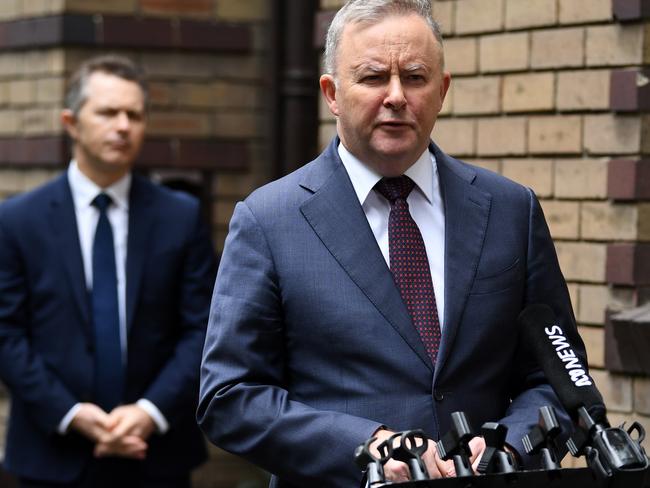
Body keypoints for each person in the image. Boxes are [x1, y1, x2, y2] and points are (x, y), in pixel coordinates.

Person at [197, 1, 587, 486]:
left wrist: (510, 443)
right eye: (373, 77)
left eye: (416, 77)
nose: (397, 96)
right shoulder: (268, 220)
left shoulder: (510, 209)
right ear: (332, 93)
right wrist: (368, 446)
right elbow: (230, 398)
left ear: (442, 91)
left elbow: (558, 375)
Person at [0, 55, 217, 487]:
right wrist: (71, 414)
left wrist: (148, 411)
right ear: (71, 122)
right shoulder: (18, 220)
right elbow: (6, 333)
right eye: (108, 112)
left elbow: (204, 328)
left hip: (157, 453)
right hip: (51, 452)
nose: (123, 126)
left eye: (134, 115)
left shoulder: (180, 216)